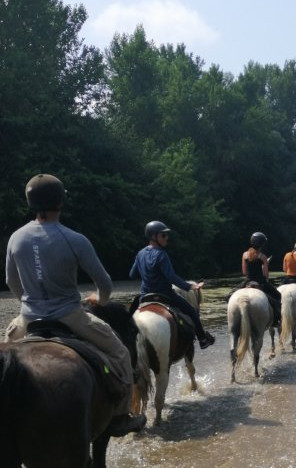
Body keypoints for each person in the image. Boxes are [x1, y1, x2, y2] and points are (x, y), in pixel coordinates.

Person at [5, 173, 145, 437]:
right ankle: (121, 416)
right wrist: (98, 300)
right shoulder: (75, 239)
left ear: (30, 202)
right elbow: (104, 284)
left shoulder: (15, 238)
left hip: (28, 319)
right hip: (71, 316)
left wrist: (28, 302)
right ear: (61, 202)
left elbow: (10, 280)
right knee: (121, 354)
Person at [129, 221, 215, 349]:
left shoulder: (140, 254)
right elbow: (171, 277)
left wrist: (146, 274)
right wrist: (190, 286)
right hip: (164, 295)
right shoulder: (162, 255)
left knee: (128, 318)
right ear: (154, 236)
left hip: (144, 296)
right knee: (192, 312)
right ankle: (202, 339)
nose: (166, 237)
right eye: (163, 235)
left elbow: (132, 274)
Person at [241, 232, 281, 325]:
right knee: (278, 295)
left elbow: (244, 272)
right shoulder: (262, 256)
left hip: (248, 281)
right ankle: (276, 320)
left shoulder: (244, 255)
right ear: (262, 244)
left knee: (231, 295)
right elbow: (266, 275)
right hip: (260, 281)